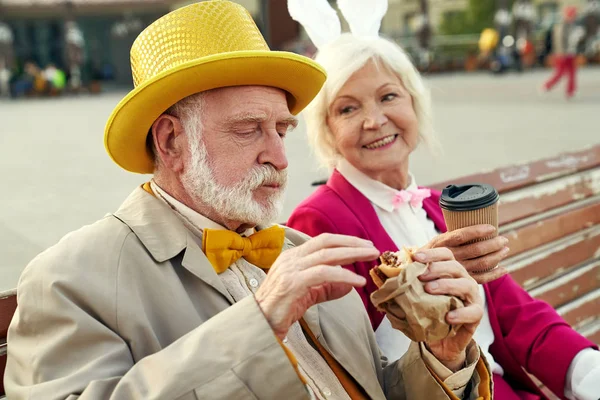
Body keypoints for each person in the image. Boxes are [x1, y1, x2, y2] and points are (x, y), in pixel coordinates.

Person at [4, 2, 492, 399]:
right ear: (172, 142)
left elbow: (374, 390)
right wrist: (257, 323)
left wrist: (440, 358)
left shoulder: (300, 251)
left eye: (282, 129)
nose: (280, 159)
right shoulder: (69, 278)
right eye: (248, 130)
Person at [287, 32, 600, 400]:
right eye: (348, 109)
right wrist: (420, 277)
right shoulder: (317, 220)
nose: (374, 120)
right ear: (326, 129)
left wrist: (587, 372)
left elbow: (515, 312)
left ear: (415, 103)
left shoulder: (438, 206)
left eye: (388, 96)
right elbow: (344, 365)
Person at [542, 6, 586, 98]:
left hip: (571, 53)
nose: (573, 17)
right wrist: (561, 53)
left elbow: (574, 40)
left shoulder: (573, 26)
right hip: (562, 54)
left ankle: (570, 91)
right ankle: (547, 86)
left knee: (572, 72)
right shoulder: (562, 26)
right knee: (560, 73)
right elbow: (559, 40)